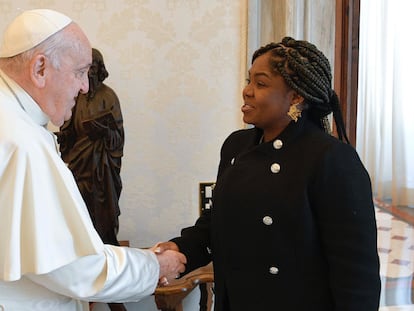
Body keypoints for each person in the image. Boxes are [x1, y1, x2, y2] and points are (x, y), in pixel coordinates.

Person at [155, 37, 381, 310]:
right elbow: (216, 225)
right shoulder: (236, 146)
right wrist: (179, 249)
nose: (247, 91)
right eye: (249, 81)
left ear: (296, 97)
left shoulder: (331, 158)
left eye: (260, 84)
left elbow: (356, 273)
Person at [0, 9, 186, 311]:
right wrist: (154, 267)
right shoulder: (22, 142)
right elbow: (73, 266)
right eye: (79, 72)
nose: (85, 86)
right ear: (40, 69)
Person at [57, 46, 126, 311]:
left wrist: (102, 131)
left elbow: (118, 138)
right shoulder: (77, 95)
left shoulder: (109, 97)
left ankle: (113, 297)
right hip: (77, 169)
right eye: (86, 71)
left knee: (103, 228)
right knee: (76, 229)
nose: (90, 76)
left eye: (94, 70)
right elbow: (67, 131)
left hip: (102, 174)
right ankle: (79, 297)